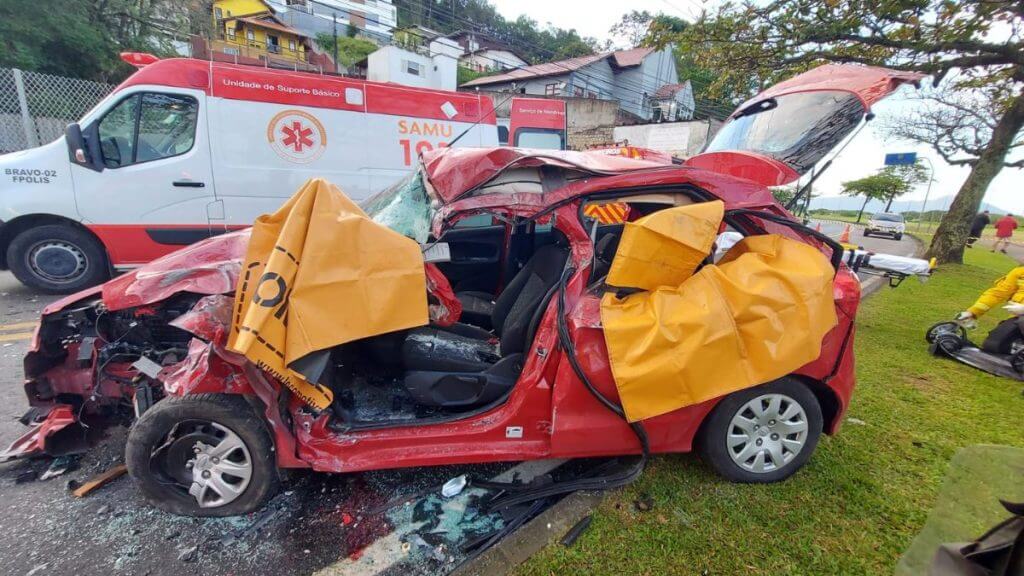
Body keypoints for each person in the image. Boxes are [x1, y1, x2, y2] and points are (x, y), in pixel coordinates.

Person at [957, 266, 1024, 353]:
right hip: (1018, 320)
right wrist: (972, 312)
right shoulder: (1020, 272)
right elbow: (998, 293)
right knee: (994, 345)